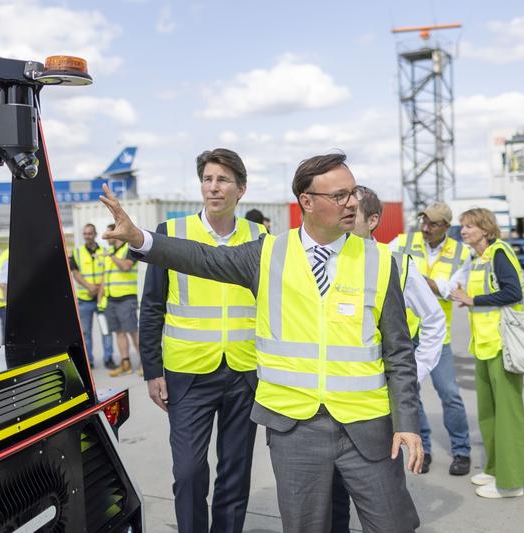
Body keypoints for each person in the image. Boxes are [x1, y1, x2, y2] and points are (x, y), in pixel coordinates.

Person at [103, 153, 423, 533]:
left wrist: (408, 422)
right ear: (307, 201)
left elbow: (399, 351)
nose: (352, 202)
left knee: (393, 525)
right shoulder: (269, 254)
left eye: (352, 192)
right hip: (295, 428)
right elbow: (201, 258)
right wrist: (140, 238)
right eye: (339, 195)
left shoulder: (380, 259)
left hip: (368, 428)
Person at [138, 149, 266, 533]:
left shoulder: (260, 237)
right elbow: (153, 306)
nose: (214, 187)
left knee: (236, 470)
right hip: (188, 373)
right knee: (190, 471)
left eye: (223, 180)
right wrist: (152, 370)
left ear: (241, 189)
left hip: (244, 372)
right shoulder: (171, 233)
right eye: (208, 179)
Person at [331, 185, 446, 532]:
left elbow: (435, 321)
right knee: (331, 504)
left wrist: (414, 373)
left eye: (353, 215)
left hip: (375, 409)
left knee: (383, 506)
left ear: (373, 221)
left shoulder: (396, 264)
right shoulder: (325, 262)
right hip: (325, 407)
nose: (344, 218)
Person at [393, 202, 473, 476]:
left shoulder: (461, 252)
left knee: (449, 394)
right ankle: (423, 449)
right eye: (424, 221)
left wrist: (417, 279)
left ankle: (461, 451)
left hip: (438, 336)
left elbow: (454, 289)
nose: (426, 228)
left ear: (446, 228)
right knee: (411, 393)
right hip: (405, 334)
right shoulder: (404, 241)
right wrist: (432, 284)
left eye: (433, 224)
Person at [450, 208, 524, 499]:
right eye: (462, 226)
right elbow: (490, 295)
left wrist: (473, 299)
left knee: (507, 416)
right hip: (484, 345)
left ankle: (511, 482)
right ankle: (495, 469)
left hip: (503, 345)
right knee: (489, 415)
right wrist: (470, 301)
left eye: (469, 226)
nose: (464, 231)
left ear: (485, 228)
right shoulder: (479, 258)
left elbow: (513, 292)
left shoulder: (498, 253)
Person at [70, 223, 115, 370]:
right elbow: (75, 273)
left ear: (95, 234)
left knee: (105, 330)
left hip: (101, 298)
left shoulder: (105, 251)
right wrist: (89, 287)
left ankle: (108, 358)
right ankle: (89, 361)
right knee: (86, 333)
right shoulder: (77, 252)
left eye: (89, 233)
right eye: (85, 234)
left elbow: (107, 272)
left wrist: (98, 289)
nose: (87, 236)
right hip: (85, 299)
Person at [103, 223, 141, 377]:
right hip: (111, 299)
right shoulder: (111, 251)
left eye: (109, 234)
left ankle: (145, 365)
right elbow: (106, 277)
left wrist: (111, 256)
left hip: (126, 298)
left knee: (133, 332)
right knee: (118, 332)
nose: (106, 237)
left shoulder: (130, 249)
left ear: (116, 234)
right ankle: (126, 364)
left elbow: (126, 266)